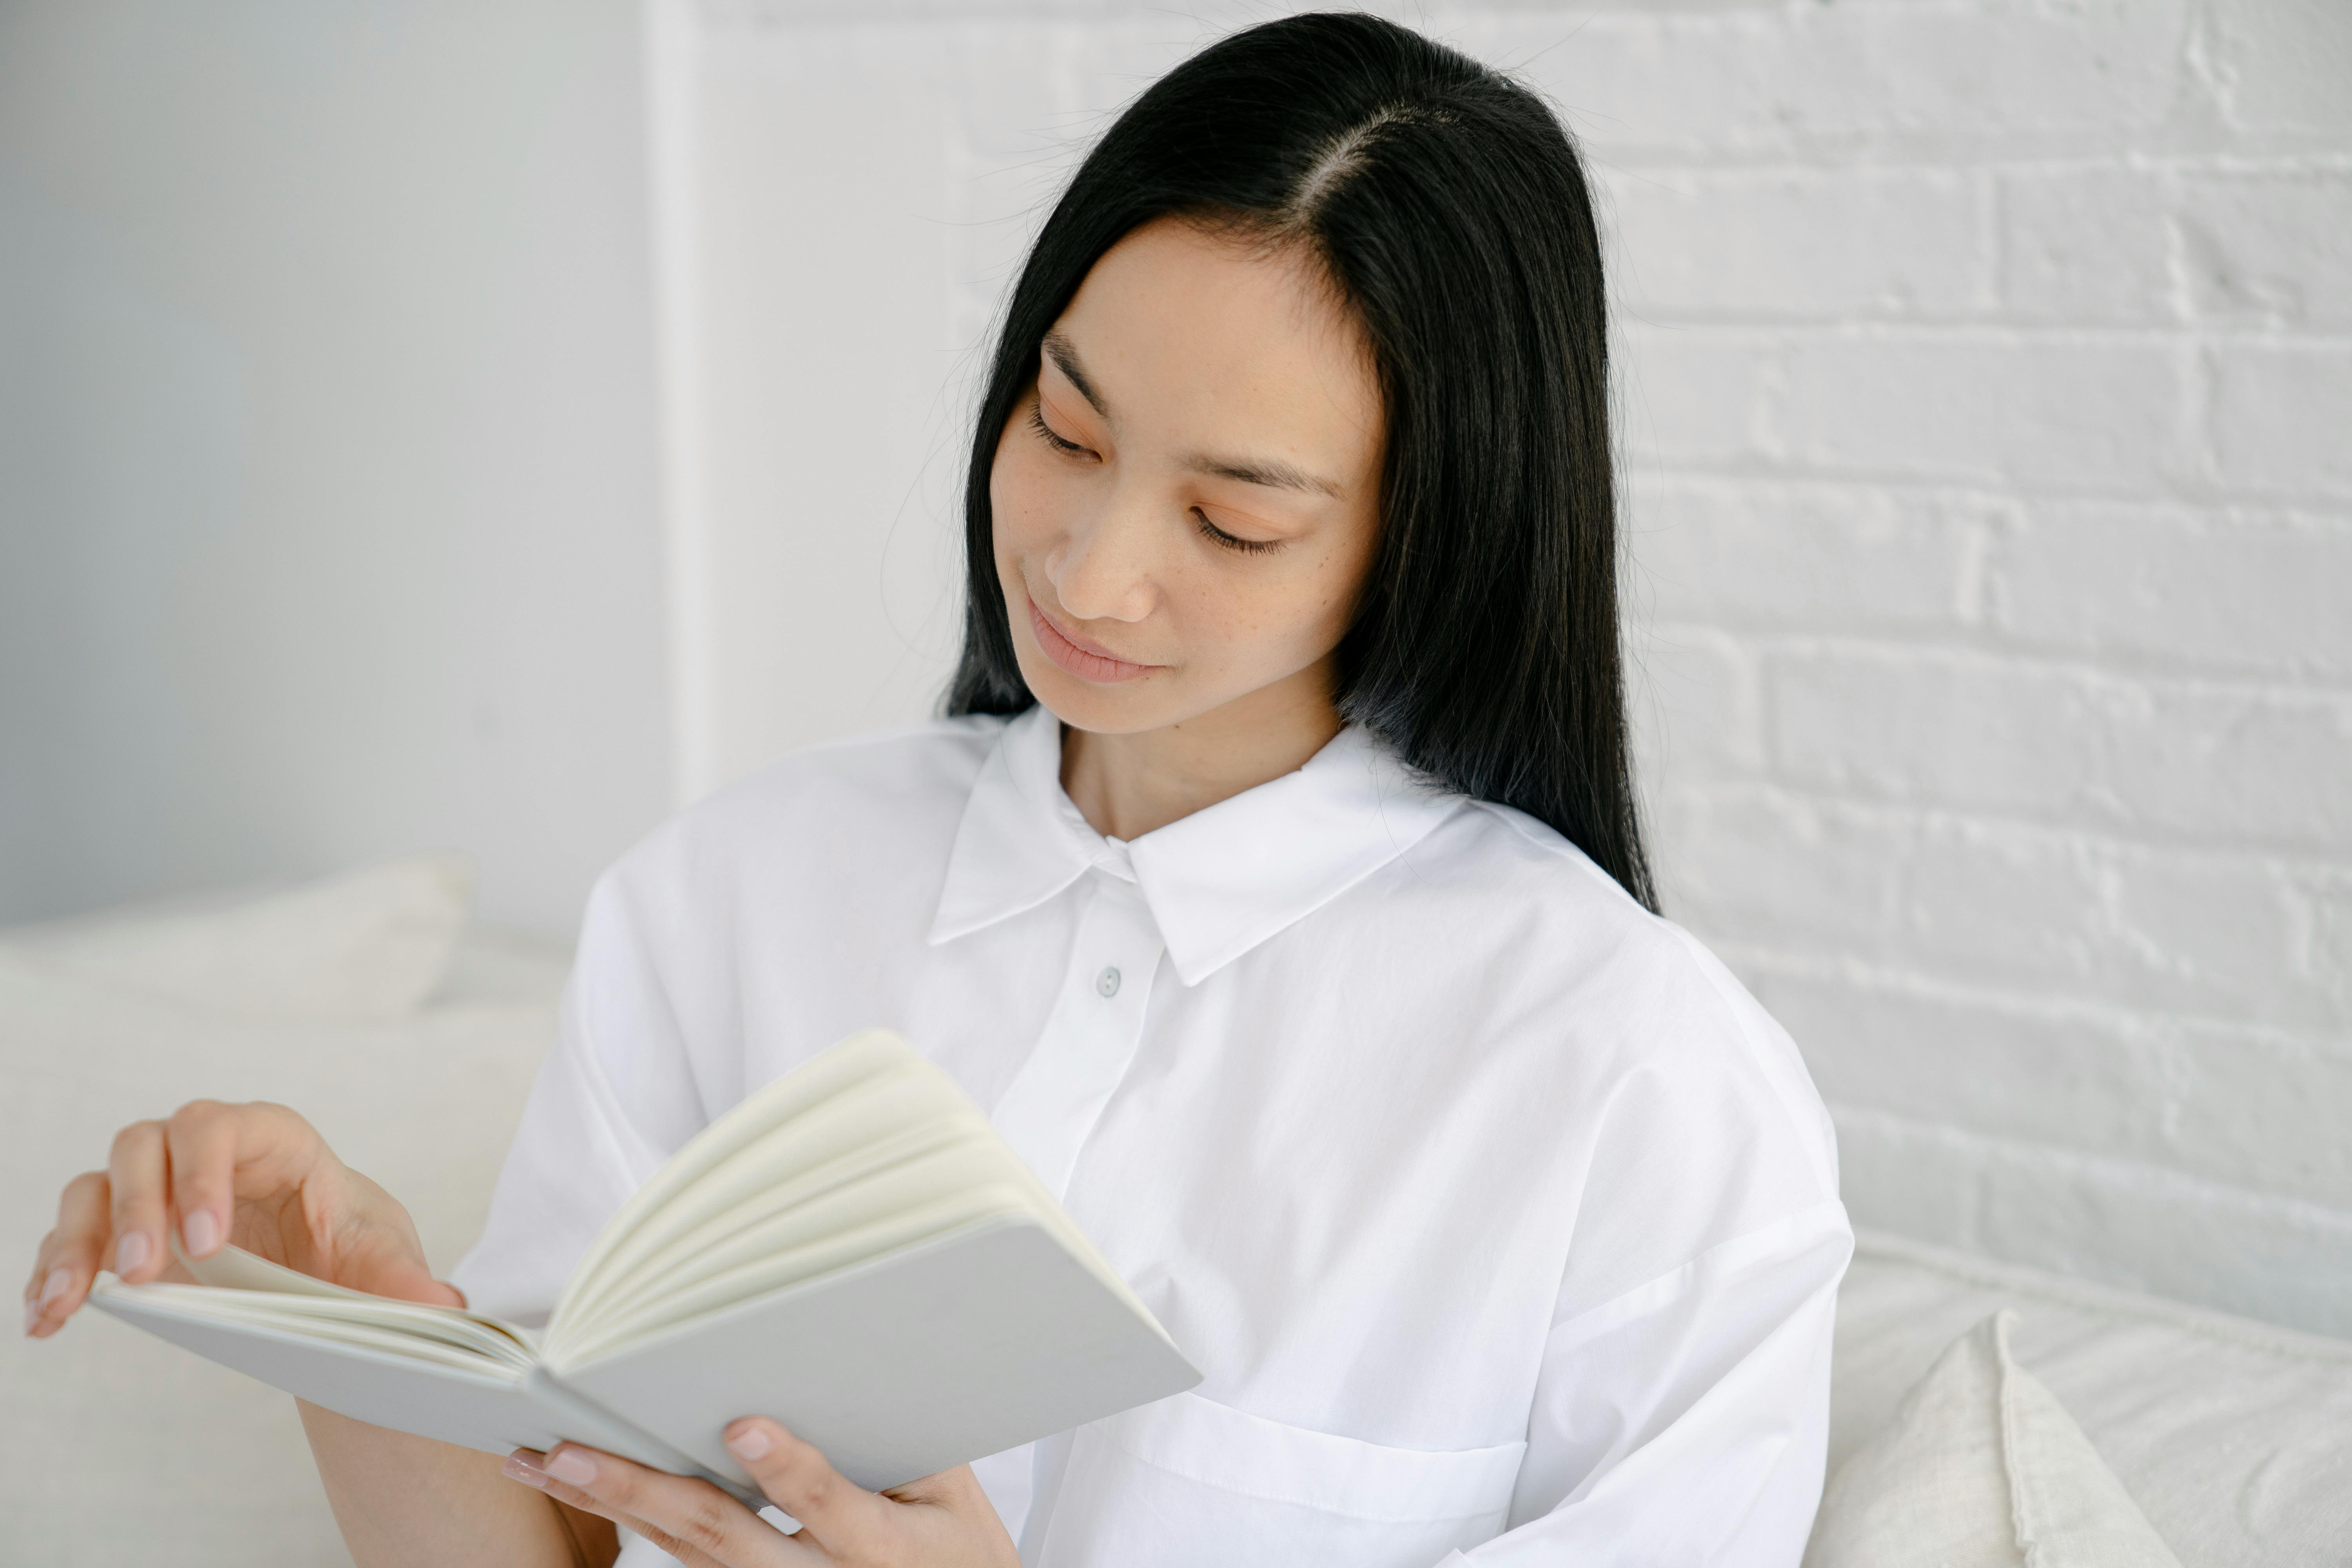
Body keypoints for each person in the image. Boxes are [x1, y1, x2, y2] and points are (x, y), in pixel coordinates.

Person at [23, 13, 1849, 1566]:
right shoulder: (737, 891)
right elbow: (557, 1534)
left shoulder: (1630, 1084)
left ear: (1436, 538)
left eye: (1232, 516)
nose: (1090, 565)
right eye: (1063, 425)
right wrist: (359, 1316)